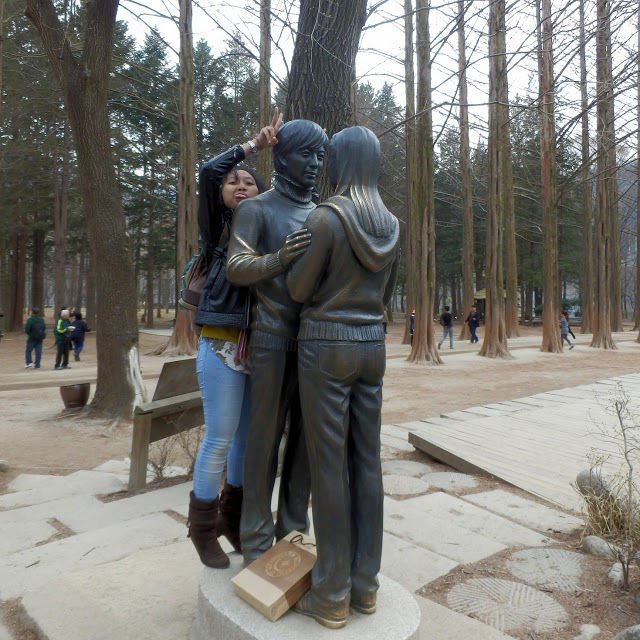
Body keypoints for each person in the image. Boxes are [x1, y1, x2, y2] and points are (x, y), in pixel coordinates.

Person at [287, 126, 399, 629]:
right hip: (372, 346)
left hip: (326, 346)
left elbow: (298, 288)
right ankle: (366, 586)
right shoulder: (390, 225)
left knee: (329, 466)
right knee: (367, 462)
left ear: (338, 162)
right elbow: (385, 293)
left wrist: (291, 260)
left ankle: (332, 593)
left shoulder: (325, 218)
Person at [227, 118, 329, 565]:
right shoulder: (258, 209)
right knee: (264, 441)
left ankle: (292, 532)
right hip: (270, 340)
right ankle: (254, 539)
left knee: (307, 442)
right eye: (306, 154)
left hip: (316, 345)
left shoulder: (324, 214)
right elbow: (237, 267)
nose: (314, 164)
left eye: (320, 156)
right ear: (282, 156)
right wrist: (279, 258)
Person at [186, 112, 278, 570]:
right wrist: (251, 147)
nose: (241, 186)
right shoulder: (218, 231)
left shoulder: (266, 228)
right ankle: (200, 530)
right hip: (221, 343)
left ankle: (233, 521)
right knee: (219, 438)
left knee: (245, 442)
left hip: (258, 349)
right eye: (233, 183)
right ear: (221, 194)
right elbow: (207, 171)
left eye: (249, 183)